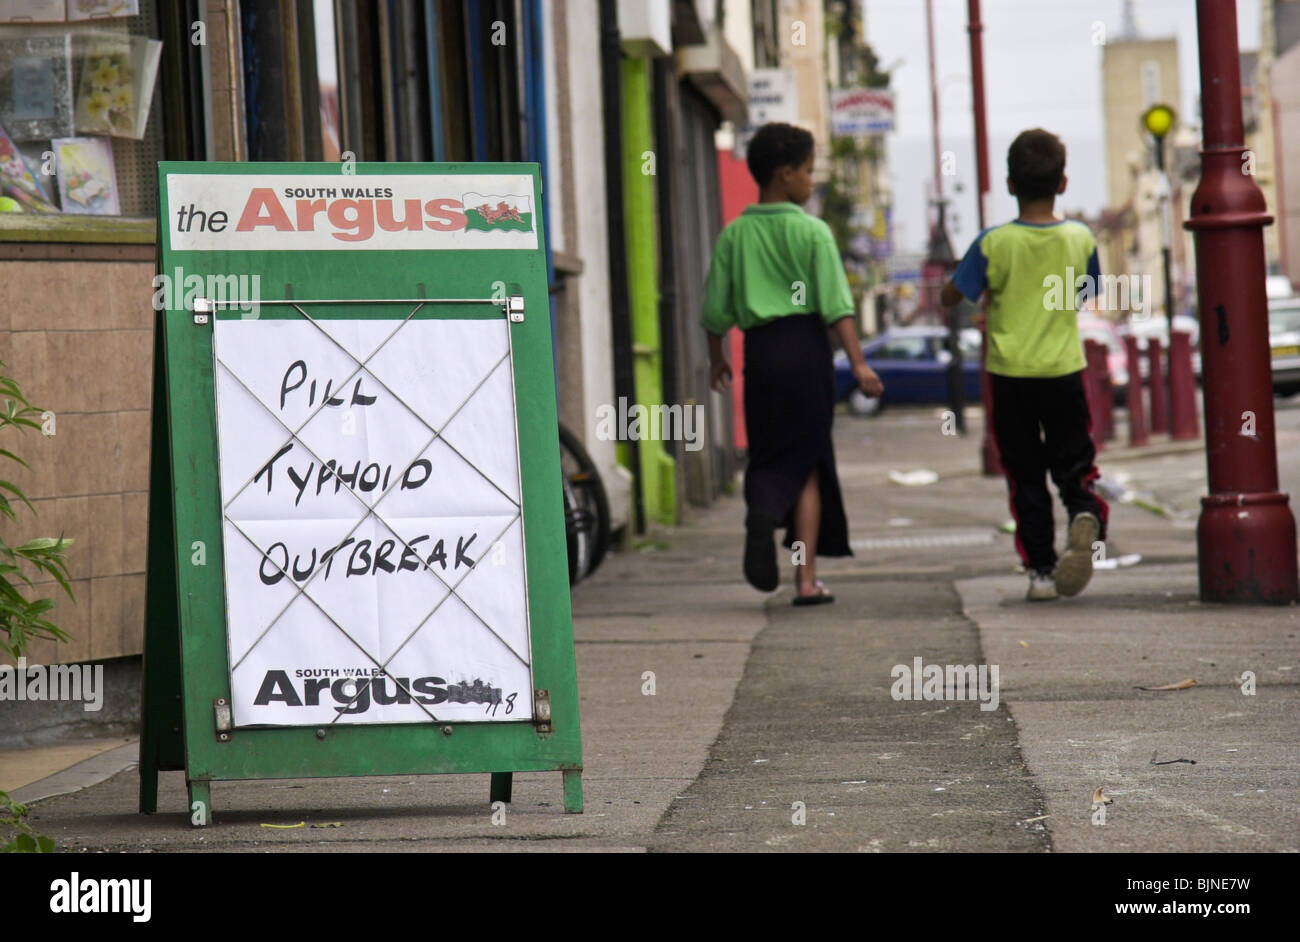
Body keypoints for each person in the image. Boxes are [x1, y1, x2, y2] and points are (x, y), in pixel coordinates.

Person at [702, 122, 884, 606]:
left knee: (768, 454)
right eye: (807, 170)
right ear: (785, 174)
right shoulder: (813, 233)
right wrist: (860, 365)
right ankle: (806, 582)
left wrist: (717, 359)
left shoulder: (734, 236)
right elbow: (837, 307)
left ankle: (762, 511)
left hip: (761, 354)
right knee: (807, 461)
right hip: (806, 352)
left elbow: (714, 312)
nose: (811, 180)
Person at [941, 128, 1109, 602]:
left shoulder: (993, 243)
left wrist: (986, 293)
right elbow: (1087, 293)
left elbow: (952, 294)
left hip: (1010, 375)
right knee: (1073, 462)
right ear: (1063, 183)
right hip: (1064, 370)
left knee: (1024, 475)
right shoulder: (1080, 237)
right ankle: (1083, 510)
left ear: (1010, 185)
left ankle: (1040, 571)